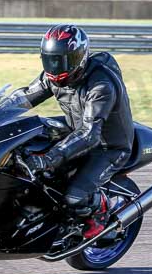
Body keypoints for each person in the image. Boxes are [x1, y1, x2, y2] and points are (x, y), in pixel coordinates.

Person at [11, 24, 135, 240]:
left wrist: (49, 158)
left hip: (108, 147)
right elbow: (24, 98)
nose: (55, 67)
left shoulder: (101, 86)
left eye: (60, 60)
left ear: (78, 57)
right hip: (75, 131)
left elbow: (89, 134)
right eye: (50, 60)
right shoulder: (53, 76)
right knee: (24, 145)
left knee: (74, 198)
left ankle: (100, 213)